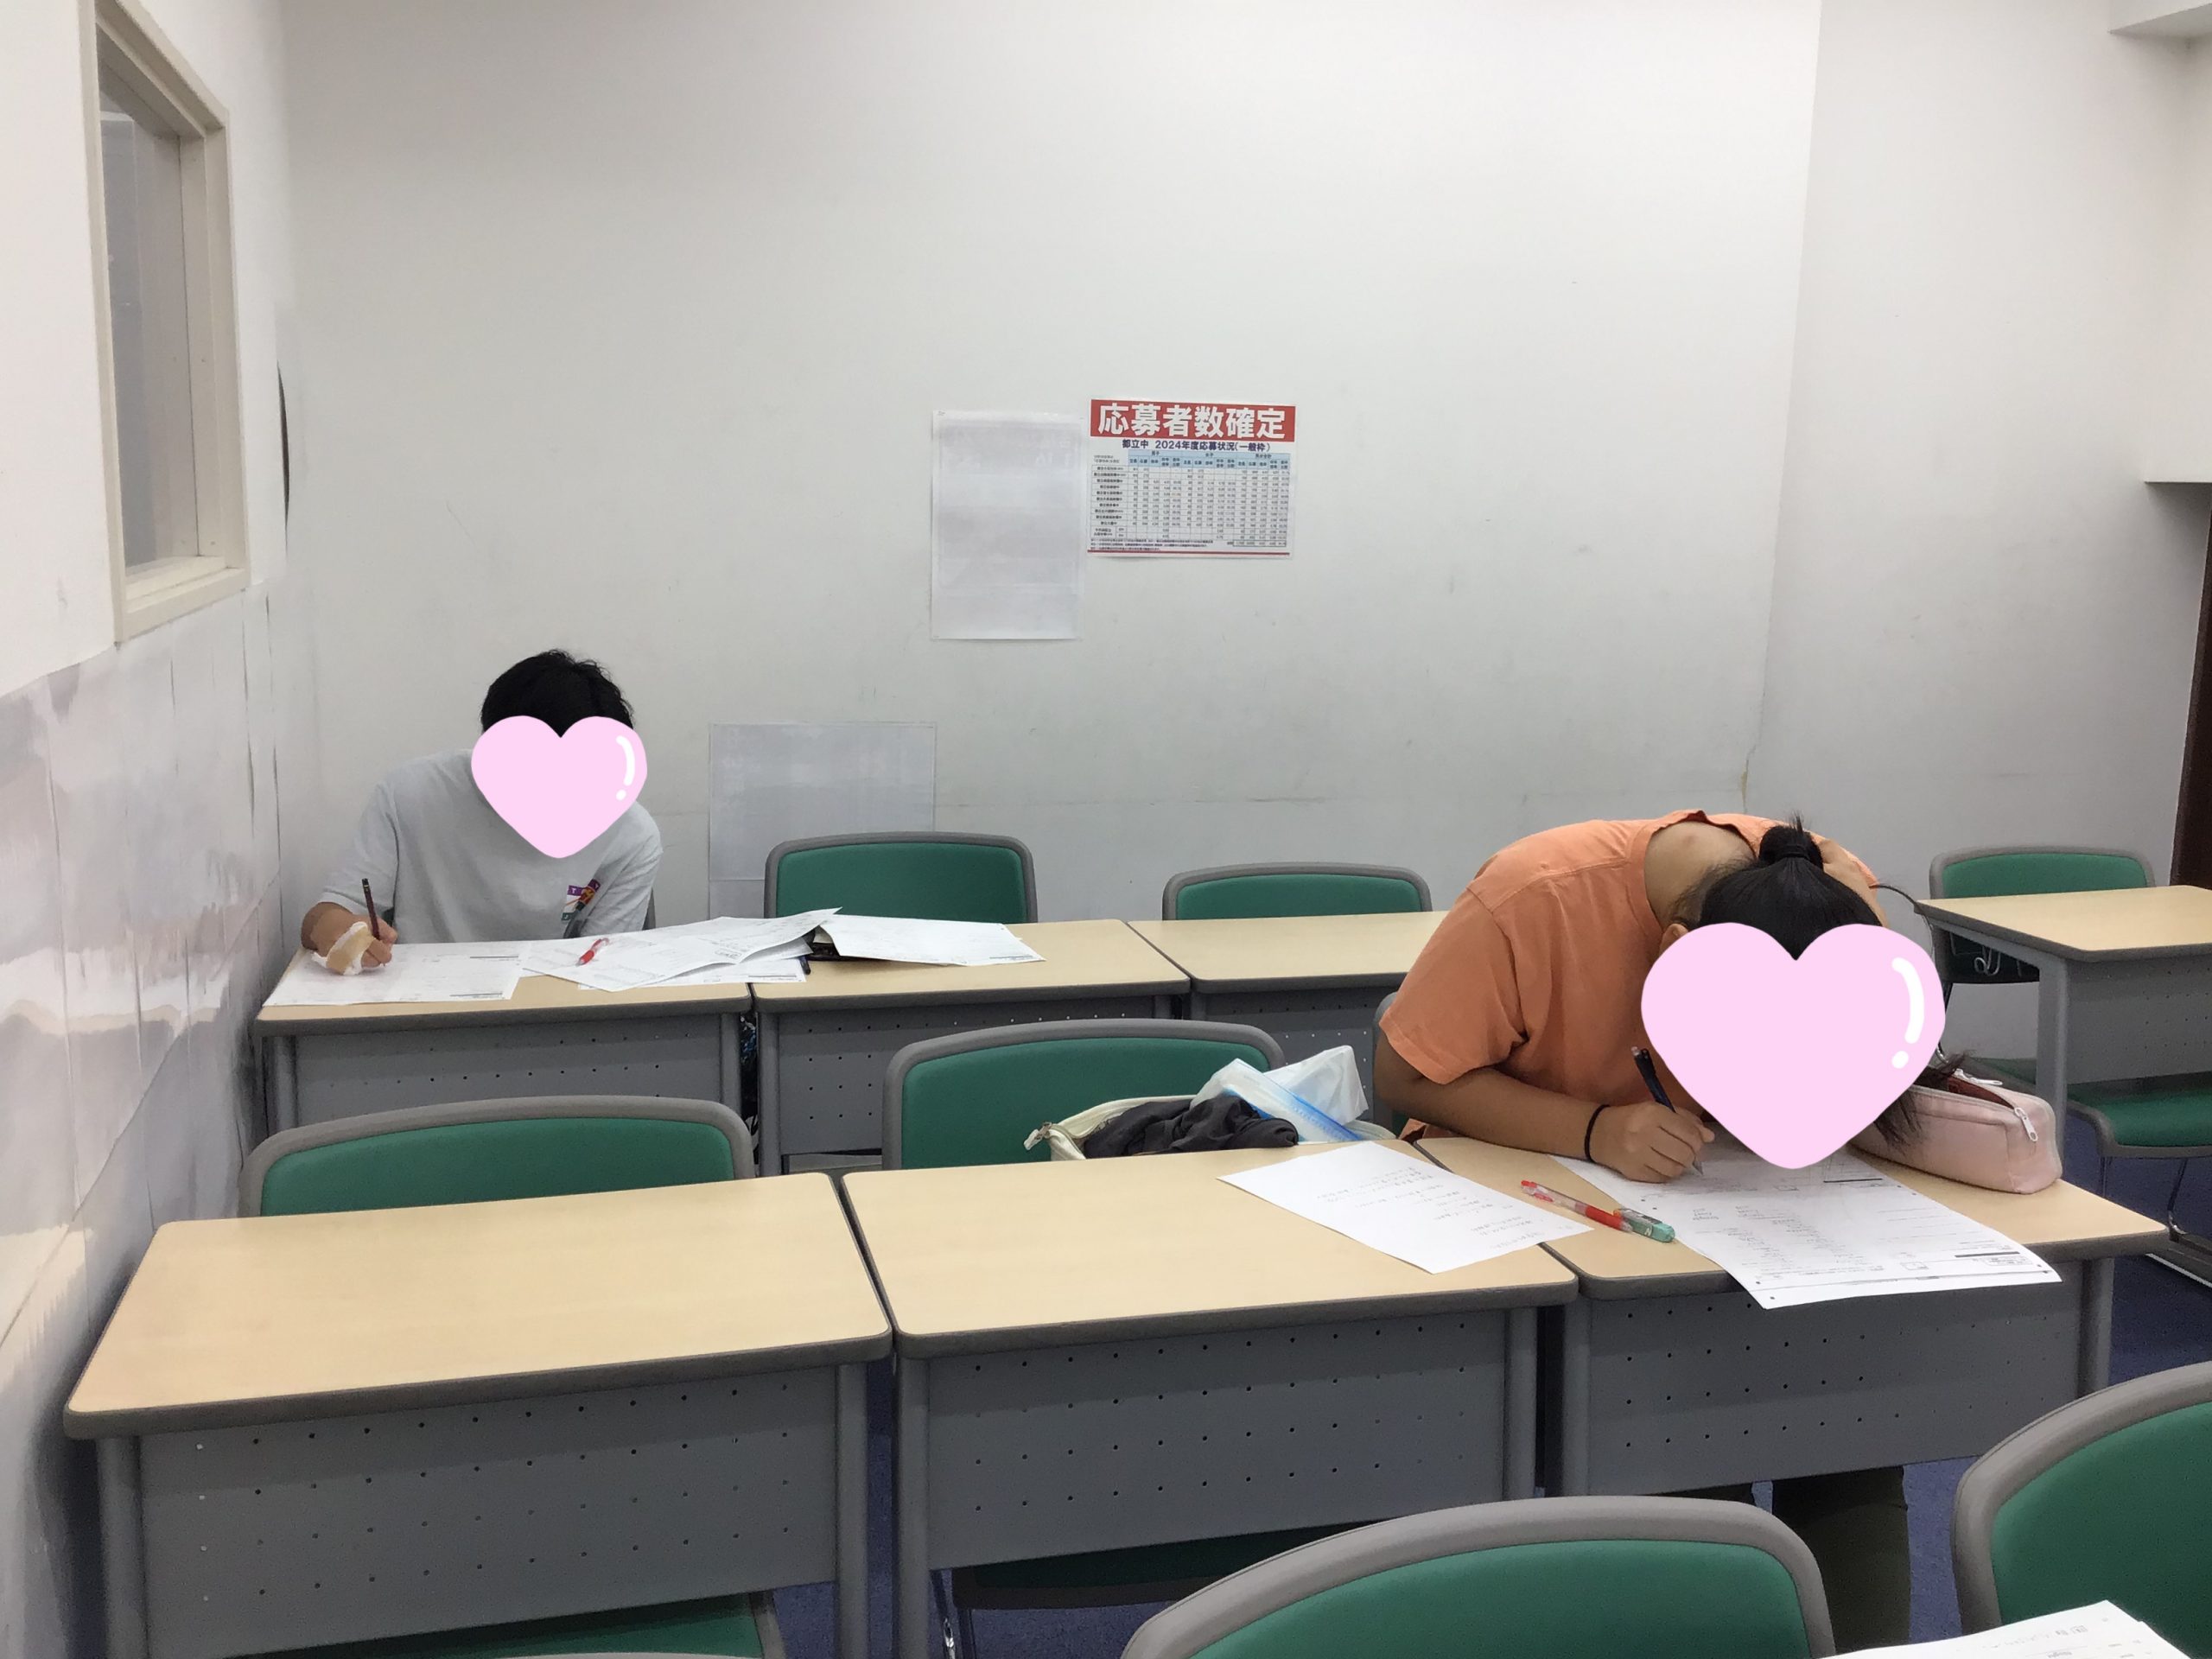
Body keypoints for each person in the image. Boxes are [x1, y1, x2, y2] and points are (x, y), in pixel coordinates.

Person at [1375, 810, 1911, 1650]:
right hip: (1548, 1222)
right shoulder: (1532, 898)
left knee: (1854, 1437)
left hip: (1754, 1223)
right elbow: (1405, 1074)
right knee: (1681, 1456)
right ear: (1670, 947)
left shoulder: (1832, 896)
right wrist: (1592, 1129)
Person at [300, 651, 661, 969]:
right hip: (420, 1003)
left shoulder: (630, 835)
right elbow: (323, 919)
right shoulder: (410, 794)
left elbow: (601, 965)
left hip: (550, 1008)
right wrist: (333, 929)